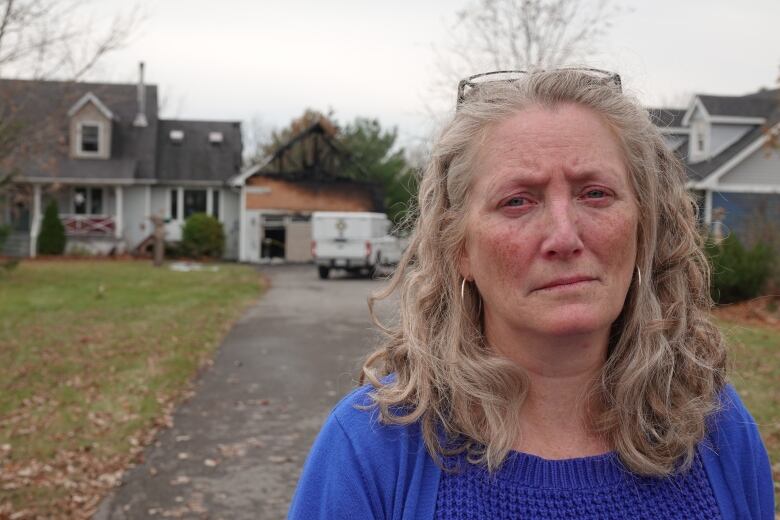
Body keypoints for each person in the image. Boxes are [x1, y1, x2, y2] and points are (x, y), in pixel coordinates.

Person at [288, 69, 775, 519]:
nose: (564, 237)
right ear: (459, 248)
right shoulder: (376, 445)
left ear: (643, 228)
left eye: (595, 193)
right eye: (517, 201)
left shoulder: (715, 430)